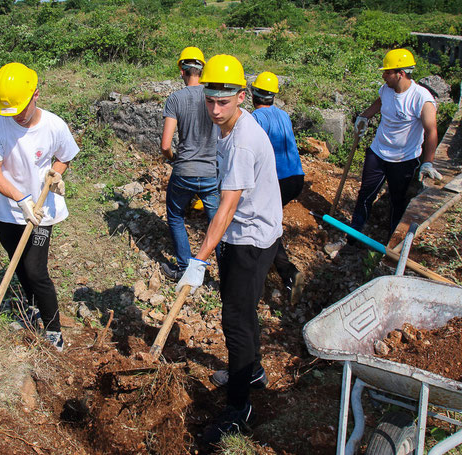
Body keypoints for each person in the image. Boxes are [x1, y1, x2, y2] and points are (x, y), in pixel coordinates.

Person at [175, 54, 283, 445]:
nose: (215, 110)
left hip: (250, 239)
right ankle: (252, 370)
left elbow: (227, 207)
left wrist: (198, 259)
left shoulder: (241, 143)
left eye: (224, 102)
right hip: (256, 230)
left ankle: (240, 408)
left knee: (235, 320)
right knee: (243, 308)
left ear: (242, 96)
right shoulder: (233, 126)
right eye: (210, 100)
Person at [0, 62, 80, 351]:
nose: (16, 116)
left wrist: (55, 173)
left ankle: (54, 330)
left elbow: (65, 156)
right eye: (11, 111)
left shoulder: (54, 126)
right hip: (6, 211)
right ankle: (30, 307)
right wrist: (20, 199)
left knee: (35, 270)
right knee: (17, 262)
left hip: (41, 212)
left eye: (21, 108)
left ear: (36, 95)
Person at [349, 48, 442, 240]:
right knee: (365, 194)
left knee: (397, 200)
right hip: (378, 152)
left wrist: (428, 162)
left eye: (387, 72)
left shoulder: (421, 98)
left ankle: (391, 243)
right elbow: (380, 101)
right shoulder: (386, 90)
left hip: (403, 159)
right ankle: (353, 237)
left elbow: (431, 131)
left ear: (401, 74)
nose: (384, 76)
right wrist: (364, 116)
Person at [160, 46, 220, 281]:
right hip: (211, 172)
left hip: (184, 170)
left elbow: (165, 145)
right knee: (219, 222)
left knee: (175, 215)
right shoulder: (214, 97)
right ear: (202, 70)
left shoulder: (175, 99)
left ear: (182, 71)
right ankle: (226, 272)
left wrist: (175, 161)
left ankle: (184, 267)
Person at [250, 71, 305, 304]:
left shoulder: (255, 119)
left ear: (253, 94)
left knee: (263, 224)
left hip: (278, 181)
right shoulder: (283, 115)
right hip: (296, 177)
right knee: (270, 220)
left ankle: (287, 273)